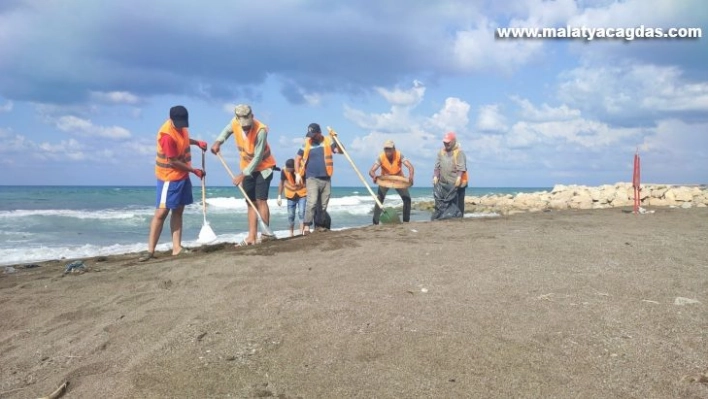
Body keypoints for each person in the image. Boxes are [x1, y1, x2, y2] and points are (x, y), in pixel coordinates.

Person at [139, 105, 207, 262]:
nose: (181, 125)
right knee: (161, 213)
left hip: (182, 177)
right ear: (171, 120)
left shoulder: (180, 128)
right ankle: (150, 250)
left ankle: (177, 248)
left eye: (183, 122)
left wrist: (197, 143)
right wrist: (193, 171)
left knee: (178, 211)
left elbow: (183, 140)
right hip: (168, 178)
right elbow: (174, 161)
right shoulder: (166, 136)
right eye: (178, 123)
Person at [211, 104, 277, 245]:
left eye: (248, 125)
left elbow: (258, 157)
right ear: (237, 119)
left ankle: (266, 235)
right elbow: (227, 131)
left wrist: (242, 175)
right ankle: (251, 237)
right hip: (247, 168)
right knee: (250, 202)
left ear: (252, 117)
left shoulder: (261, 130)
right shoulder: (235, 122)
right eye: (244, 126)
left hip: (264, 168)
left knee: (261, 200)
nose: (246, 128)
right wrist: (218, 142)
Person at [294, 123, 343, 235]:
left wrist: (336, 139)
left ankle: (319, 226)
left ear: (319, 133)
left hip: (326, 177)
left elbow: (341, 151)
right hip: (312, 178)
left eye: (313, 134)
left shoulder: (328, 141)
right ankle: (306, 227)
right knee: (312, 202)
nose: (311, 137)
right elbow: (297, 158)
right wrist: (297, 174)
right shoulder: (307, 143)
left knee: (323, 204)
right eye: (310, 135)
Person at [368, 140, 415, 224]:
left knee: (407, 199)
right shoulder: (381, 157)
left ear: (394, 149)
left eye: (389, 149)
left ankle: (406, 221)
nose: (388, 151)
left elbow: (410, 167)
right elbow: (371, 171)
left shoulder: (399, 155)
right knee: (379, 200)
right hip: (385, 180)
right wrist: (374, 176)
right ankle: (375, 223)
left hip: (398, 179)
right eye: (386, 149)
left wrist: (411, 176)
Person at [433, 132, 468, 216]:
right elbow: (437, 167)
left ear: (453, 141)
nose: (446, 143)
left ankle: (459, 221)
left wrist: (459, 178)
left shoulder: (459, 152)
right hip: (444, 185)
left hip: (457, 186)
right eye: (444, 142)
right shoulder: (441, 153)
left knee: (457, 207)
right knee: (444, 206)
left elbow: (461, 168)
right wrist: (435, 176)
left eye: (448, 142)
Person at [277, 158, 307, 237]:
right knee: (291, 215)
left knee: (302, 212)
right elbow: (282, 182)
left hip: (302, 194)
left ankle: (301, 232)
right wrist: (279, 196)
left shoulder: (301, 169)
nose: (288, 170)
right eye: (287, 169)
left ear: (294, 168)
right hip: (290, 195)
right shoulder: (284, 171)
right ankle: (291, 233)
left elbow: (307, 181)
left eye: (290, 169)